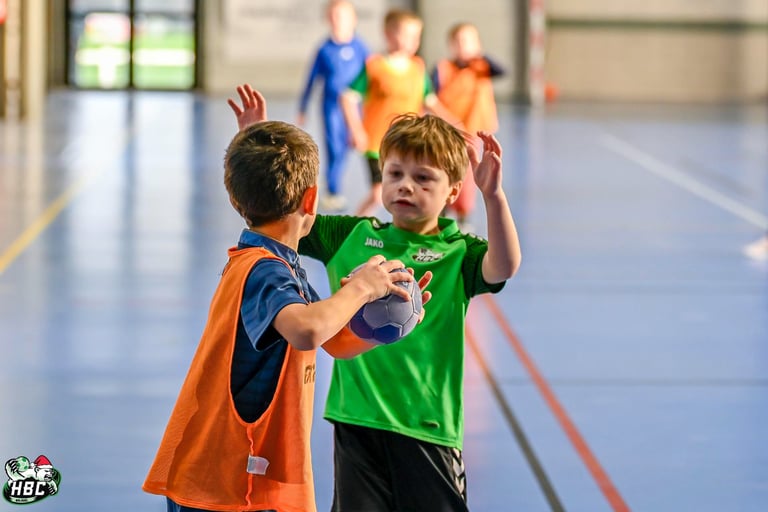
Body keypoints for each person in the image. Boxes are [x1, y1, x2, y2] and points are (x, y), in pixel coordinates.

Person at [230, 84, 521, 512]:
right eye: (395, 174)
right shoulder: (351, 236)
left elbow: (504, 266)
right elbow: (281, 215)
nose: (406, 186)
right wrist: (255, 143)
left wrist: (493, 197)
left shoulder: (459, 252)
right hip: (356, 418)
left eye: (423, 178)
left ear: (453, 191)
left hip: (426, 425)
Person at [144, 85, 431, 512]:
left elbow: (334, 339)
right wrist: (361, 288)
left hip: (246, 478)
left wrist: (383, 325)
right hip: (225, 482)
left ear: (234, 197)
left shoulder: (283, 265)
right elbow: (307, 330)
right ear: (311, 199)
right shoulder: (263, 270)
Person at [339, 8, 458, 217]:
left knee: (413, 190)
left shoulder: (418, 68)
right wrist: (356, 130)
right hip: (378, 144)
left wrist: (454, 123)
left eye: (416, 36)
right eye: (407, 35)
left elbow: (430, 101)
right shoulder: (374, 67)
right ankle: (352, 228)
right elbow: (348, 98)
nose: (412, 41)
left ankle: (414, 229)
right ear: (388, 34)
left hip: (409, 143)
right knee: (378, 194)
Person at [432, 22, 505, 231]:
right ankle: (441, 212)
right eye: (459, 41)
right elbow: (429, 95)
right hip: (447, 133)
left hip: (473, 132)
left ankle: (464, 216)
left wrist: (479, 55)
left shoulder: (482, 67)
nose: (464, 46)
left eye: (469, 41)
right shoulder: (442, 68)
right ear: (451, 45)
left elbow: (502, 71)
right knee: (444, 171)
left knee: (468, 176)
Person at [297, 0, 369, 212]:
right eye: (334, 16)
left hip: (355, 109)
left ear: (353, 19)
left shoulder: (361, 48)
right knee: (333, 148)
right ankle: (333, 191)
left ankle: (342, 186)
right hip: (331, 107)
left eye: (343, 16)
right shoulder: (324, 49)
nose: (339, 21)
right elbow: (311, 79)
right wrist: (303, 108)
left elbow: (372, 76)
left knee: (348, 147)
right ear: (328, 19)